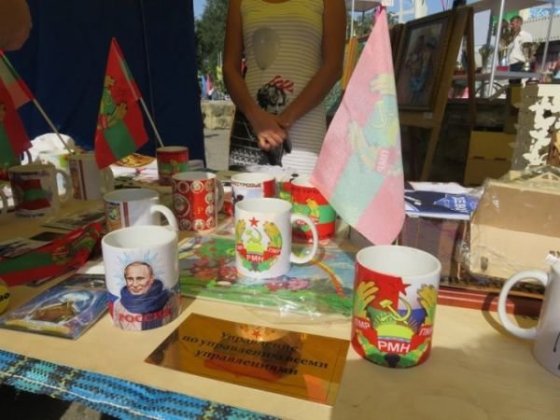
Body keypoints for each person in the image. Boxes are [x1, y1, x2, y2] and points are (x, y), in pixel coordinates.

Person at [223, 0, 346, 176]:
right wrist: (256, 117)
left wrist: (284, 120)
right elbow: (229, 68)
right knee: (247, 192)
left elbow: (333, 67)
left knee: (301, 192)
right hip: (251, 128)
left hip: (305, 129)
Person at [111, 261, 179, 331]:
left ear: (151, 279)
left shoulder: (169, 299)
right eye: (130, 279)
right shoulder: (119, 305)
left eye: (140, 278)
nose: (135, 284)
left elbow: (175, 324)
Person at [508, 15, 532, 84]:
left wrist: (526, 66)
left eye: (513, 24)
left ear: (520, 23)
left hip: (519, 64)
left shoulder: (525, 35)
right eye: (511, 24)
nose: (511, 26)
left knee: (516, 86)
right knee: (512, 86)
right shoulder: (510, 37)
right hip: (510, 64)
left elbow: (528, 51)